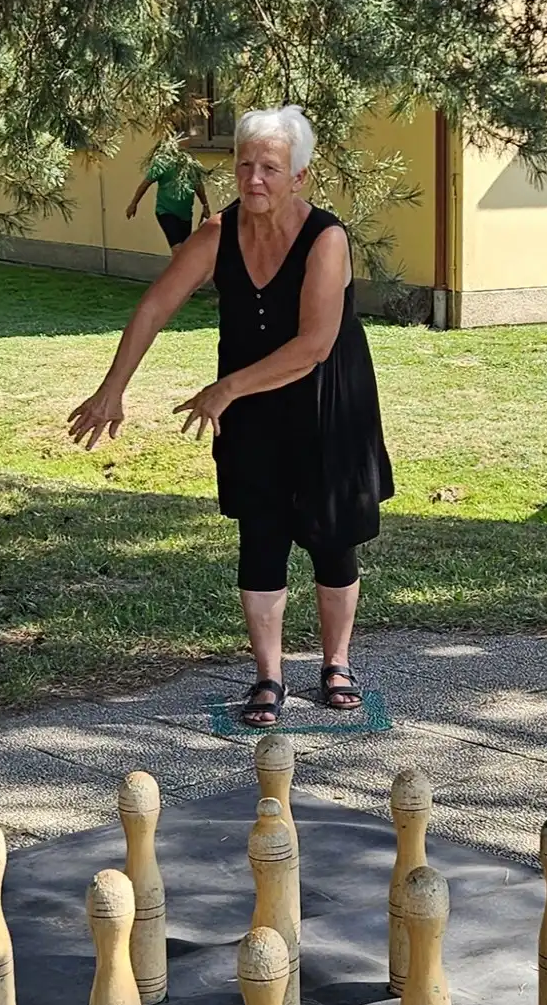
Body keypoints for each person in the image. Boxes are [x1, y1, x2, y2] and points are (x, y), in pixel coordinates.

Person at [69, 105, 392, 729]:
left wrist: (224, 390)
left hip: (326, 401)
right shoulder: (218, 233)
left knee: (332, 539)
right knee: (260, 533)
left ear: (299, 176)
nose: (254, 179)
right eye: (245, 165)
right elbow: (155, 305)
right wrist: (113, 389)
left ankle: (336, 663)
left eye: (270, 168)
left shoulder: (327, 238)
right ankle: (269, 676)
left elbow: (314, 345)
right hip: (251, 407)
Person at [126, 145, 211, 251]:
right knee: (177, 248)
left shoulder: (191, 164)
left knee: (184, 250)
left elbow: (198, 186)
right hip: (166, 211)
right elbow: (145, 184)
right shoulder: (162, 163)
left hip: (185, 213)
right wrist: (134, 203)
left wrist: (205, 205)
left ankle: (179, 267)